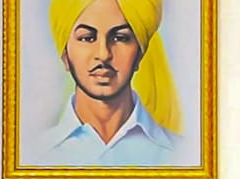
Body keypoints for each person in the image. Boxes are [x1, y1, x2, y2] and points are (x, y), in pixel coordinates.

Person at [23, 0, 184, 166]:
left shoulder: (182, 153)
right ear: (65, 56)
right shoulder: (34, 155)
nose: (103, 54)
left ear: (139, 55)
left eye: (120, 38)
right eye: (87, 38)